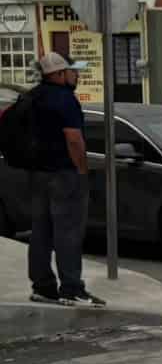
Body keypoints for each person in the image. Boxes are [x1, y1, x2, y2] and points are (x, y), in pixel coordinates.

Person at [20, 53, 101, 306]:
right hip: (64, 174)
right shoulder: (64, 99)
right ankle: (72, 288)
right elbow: (74, 139)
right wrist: (82, 171)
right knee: (68, 232)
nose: (76, 75)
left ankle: (43, 286)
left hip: (37, 174)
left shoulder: (32, 97)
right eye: (72, 71)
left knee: (41, 232)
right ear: (58, 73)